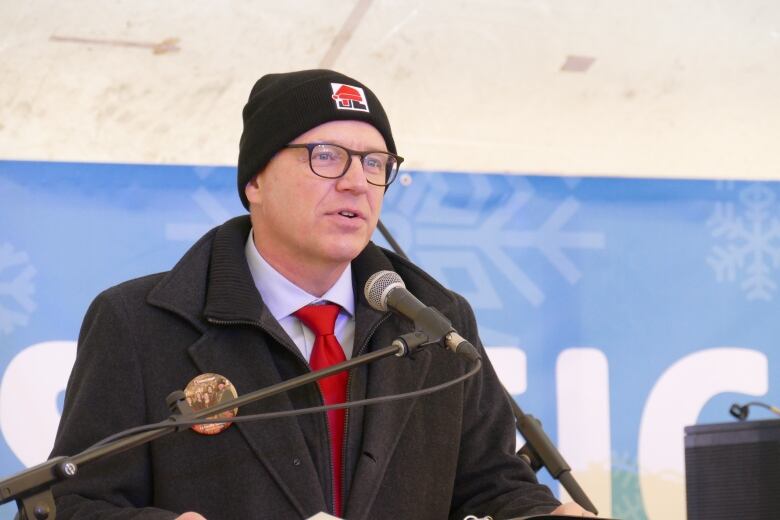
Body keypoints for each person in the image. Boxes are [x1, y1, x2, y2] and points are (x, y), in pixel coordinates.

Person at [50, 69, 594, 519]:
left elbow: (491, 486)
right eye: (327, 156)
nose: (357, 182)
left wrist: (540, 516)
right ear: (255, 181)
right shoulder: (140, 324)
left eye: (376, 164)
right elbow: (78, 503)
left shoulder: (435, 324)